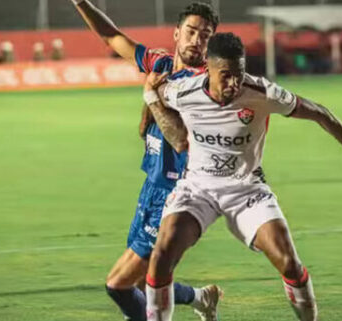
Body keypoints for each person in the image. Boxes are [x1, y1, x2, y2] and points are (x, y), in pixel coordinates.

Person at [142, 32, 342, 321]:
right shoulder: (183, 91)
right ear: (207, 68)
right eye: (226, 76)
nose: (234, 83)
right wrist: (149, 101)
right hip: (198, 188)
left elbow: (321, 113)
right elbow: (156, 96)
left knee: (289, 263)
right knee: (161, 258)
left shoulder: (261, 92)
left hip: (247, 189)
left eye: (239, 73)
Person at [70, 1, 222, 320]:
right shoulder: (160, 62)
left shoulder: (204, 85)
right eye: (192, 31)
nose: (197, 40)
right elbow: (112, 37)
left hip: (176, 194)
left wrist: (150, 100)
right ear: (177, 33)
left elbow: (182, 140)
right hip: (151, 185)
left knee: (119, 285)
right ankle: (201, 298)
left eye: (205, 36)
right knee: (142, 281)